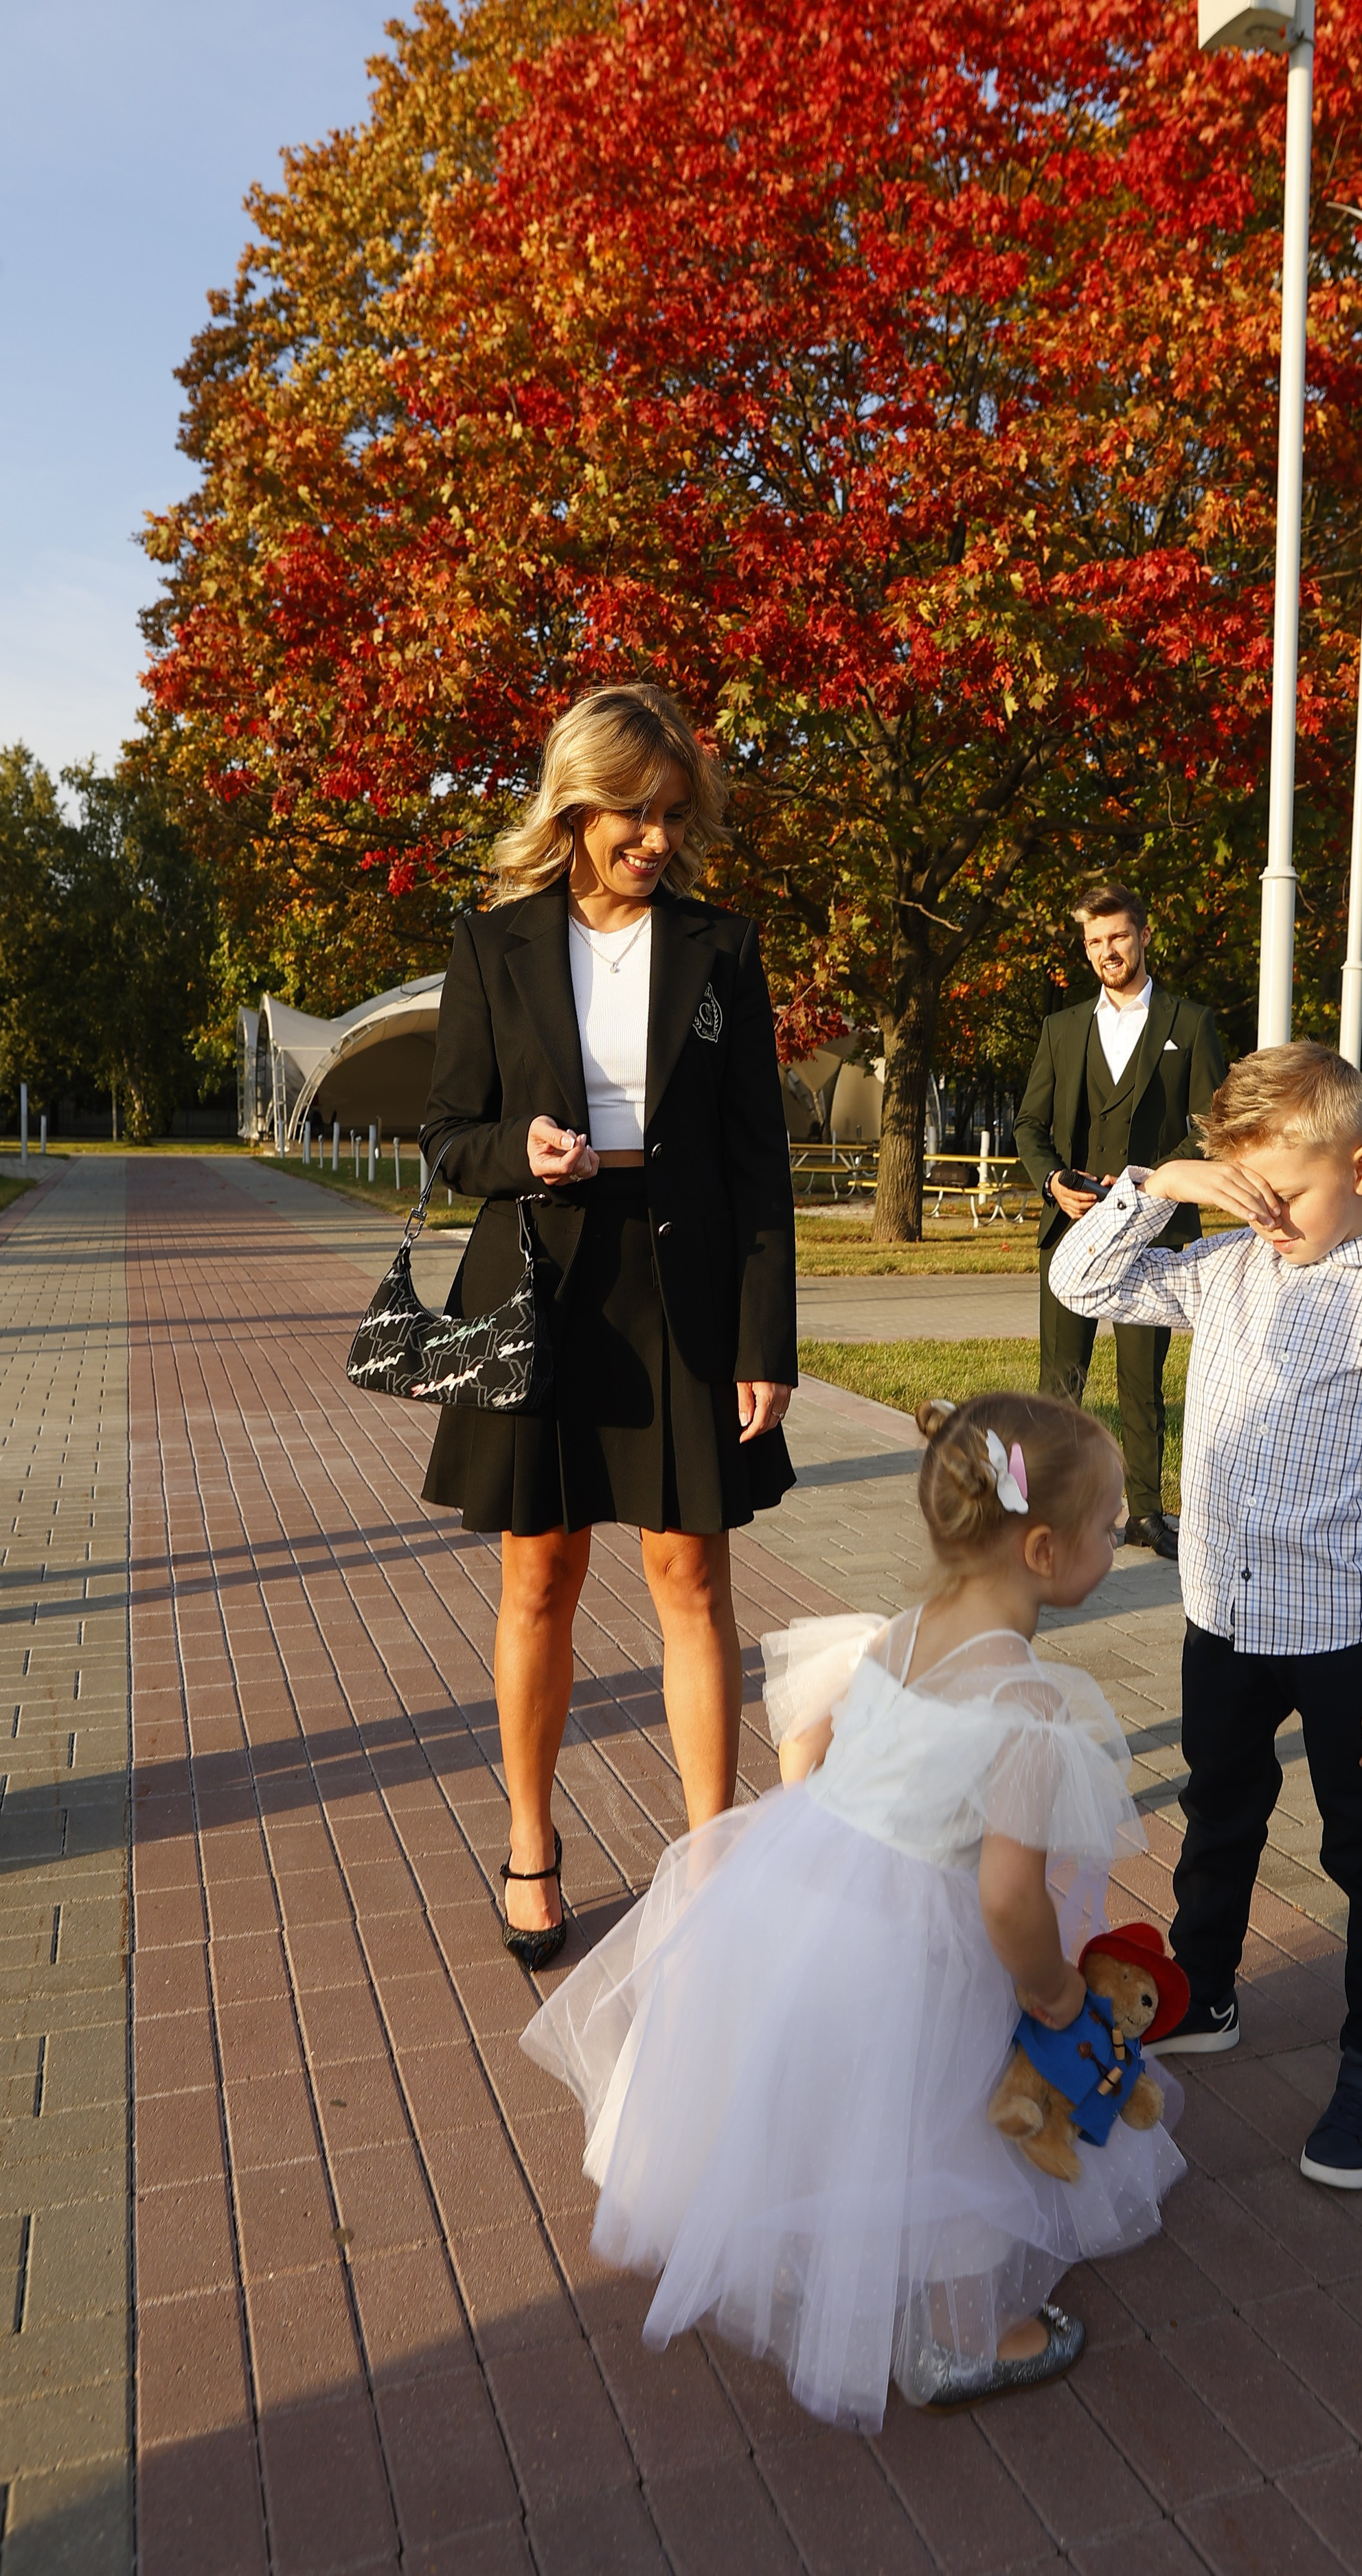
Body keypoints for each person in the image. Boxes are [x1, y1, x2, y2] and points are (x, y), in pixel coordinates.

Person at [521, 1391, 1186, 2431]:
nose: (1117, 1543)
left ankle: (811, 2247)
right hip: (913, 1944)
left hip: (807, 1891)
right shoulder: (1027, 1706)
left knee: (834, 2095)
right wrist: (1052, 1989)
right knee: (942, 2127)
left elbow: (813, 1747)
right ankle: (955, 2339)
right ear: (1045, 1549)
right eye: (1109, 1529)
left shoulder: (900, 1632)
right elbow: (1011, 1896)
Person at [1048, 1042, 1362, 2190]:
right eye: (1246, 1188)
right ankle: (1205, 1988)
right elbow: (1081, 1286)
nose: (1268, 1213)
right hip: (1224, 1621)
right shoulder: (1223, 1267)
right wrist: (1164, 1187)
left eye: (1286, 1190)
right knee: (1219, 1810)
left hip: (1349, 1635)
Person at [420, 683, 797, 1969]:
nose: (658, 837)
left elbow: (760, 1161)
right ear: (578, 803)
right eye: (638, 812)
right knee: (542, 1573)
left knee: (690, 1572)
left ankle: (710, 1861)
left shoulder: (723, 949)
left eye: (674, 816)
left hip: (683, 1281)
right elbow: (447, 1132)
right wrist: (516, 1151)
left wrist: (767, 1341)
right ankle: (531, 1845)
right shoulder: (495, 943)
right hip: (544, 1276)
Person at [1014, 880, 1227, 1560]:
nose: (1107, 951)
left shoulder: (1189, 1024)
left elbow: (1211, 1127)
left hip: (1151, 1232)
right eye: (1094, 941)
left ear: (1143, 935)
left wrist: (1151, 1183)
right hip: (1071, 1228)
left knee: (1143, 1382)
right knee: (1060, 1380)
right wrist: (1051, 1180)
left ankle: (1145, 1513)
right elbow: (1029, 1123)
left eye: (1118, 937)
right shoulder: (1061, 1028)